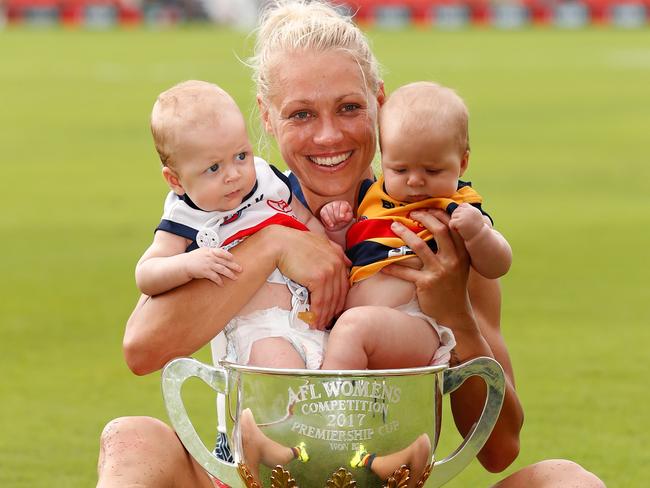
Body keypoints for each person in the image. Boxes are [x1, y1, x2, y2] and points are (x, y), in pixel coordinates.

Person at [96, 1, 604, 487]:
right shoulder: (231, 212)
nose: (328, 135)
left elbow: (499, 450)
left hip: (385, 481)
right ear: (267, 119)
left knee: (566, 479)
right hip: (254, 478)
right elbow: (143, 348)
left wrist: (454, 314)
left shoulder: (431, 228)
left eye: (348, 108)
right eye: (300, 115)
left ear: (379, 104)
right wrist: (273, 245)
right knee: (132, 439)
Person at [136, 79, 328, 371]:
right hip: (259, 329)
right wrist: (188, 264)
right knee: (287, 392)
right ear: (175, 180)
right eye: (213, 168)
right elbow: (146, 273)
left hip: (310, 318)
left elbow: (306, 221)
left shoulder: (266, 180)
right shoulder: (186, 216)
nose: (233, 175)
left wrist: (328, 241)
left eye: (241, 156)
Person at [319, 81, 512, 370]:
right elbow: (350, 251)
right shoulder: (373, 199)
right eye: (400, 169)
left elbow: (498, 264)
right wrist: (337, 227)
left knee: (352, 328)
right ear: (383, 160)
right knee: (340, 330)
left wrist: (479, 233)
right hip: (365, 324)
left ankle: (328, 411)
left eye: (432, 170)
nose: (415, 181)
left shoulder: (456, 207)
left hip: (419, 324)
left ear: (462, 163)